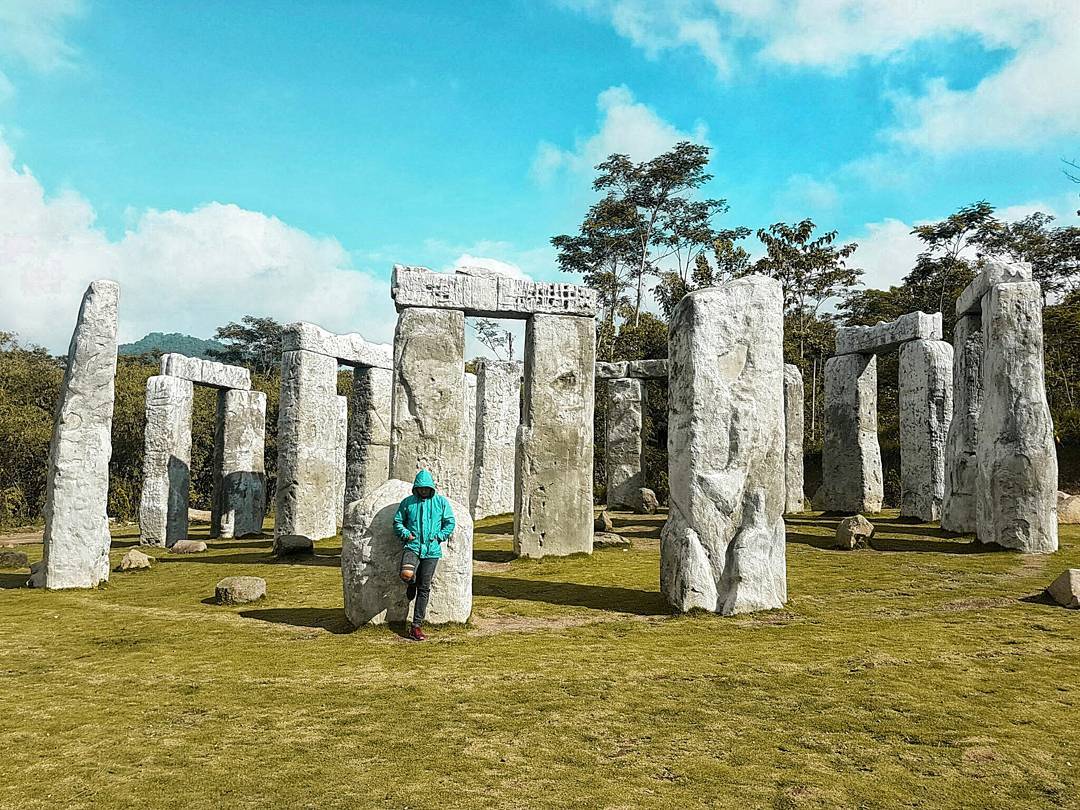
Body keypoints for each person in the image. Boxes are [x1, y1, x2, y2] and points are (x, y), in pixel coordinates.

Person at [393, 469, 455, 641]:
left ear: (431, 488)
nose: (423, 491)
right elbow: (397, 521)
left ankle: (416, 626)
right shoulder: (407, 503)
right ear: (416, 488)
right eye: (421, 488)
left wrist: (440, 537)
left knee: (425, 587)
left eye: (426, 488)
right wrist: (406, 534)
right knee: (406, 574)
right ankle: (410, 583)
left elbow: (450, 522)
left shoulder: (440, 503)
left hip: (432, 550)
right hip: (412, 546)